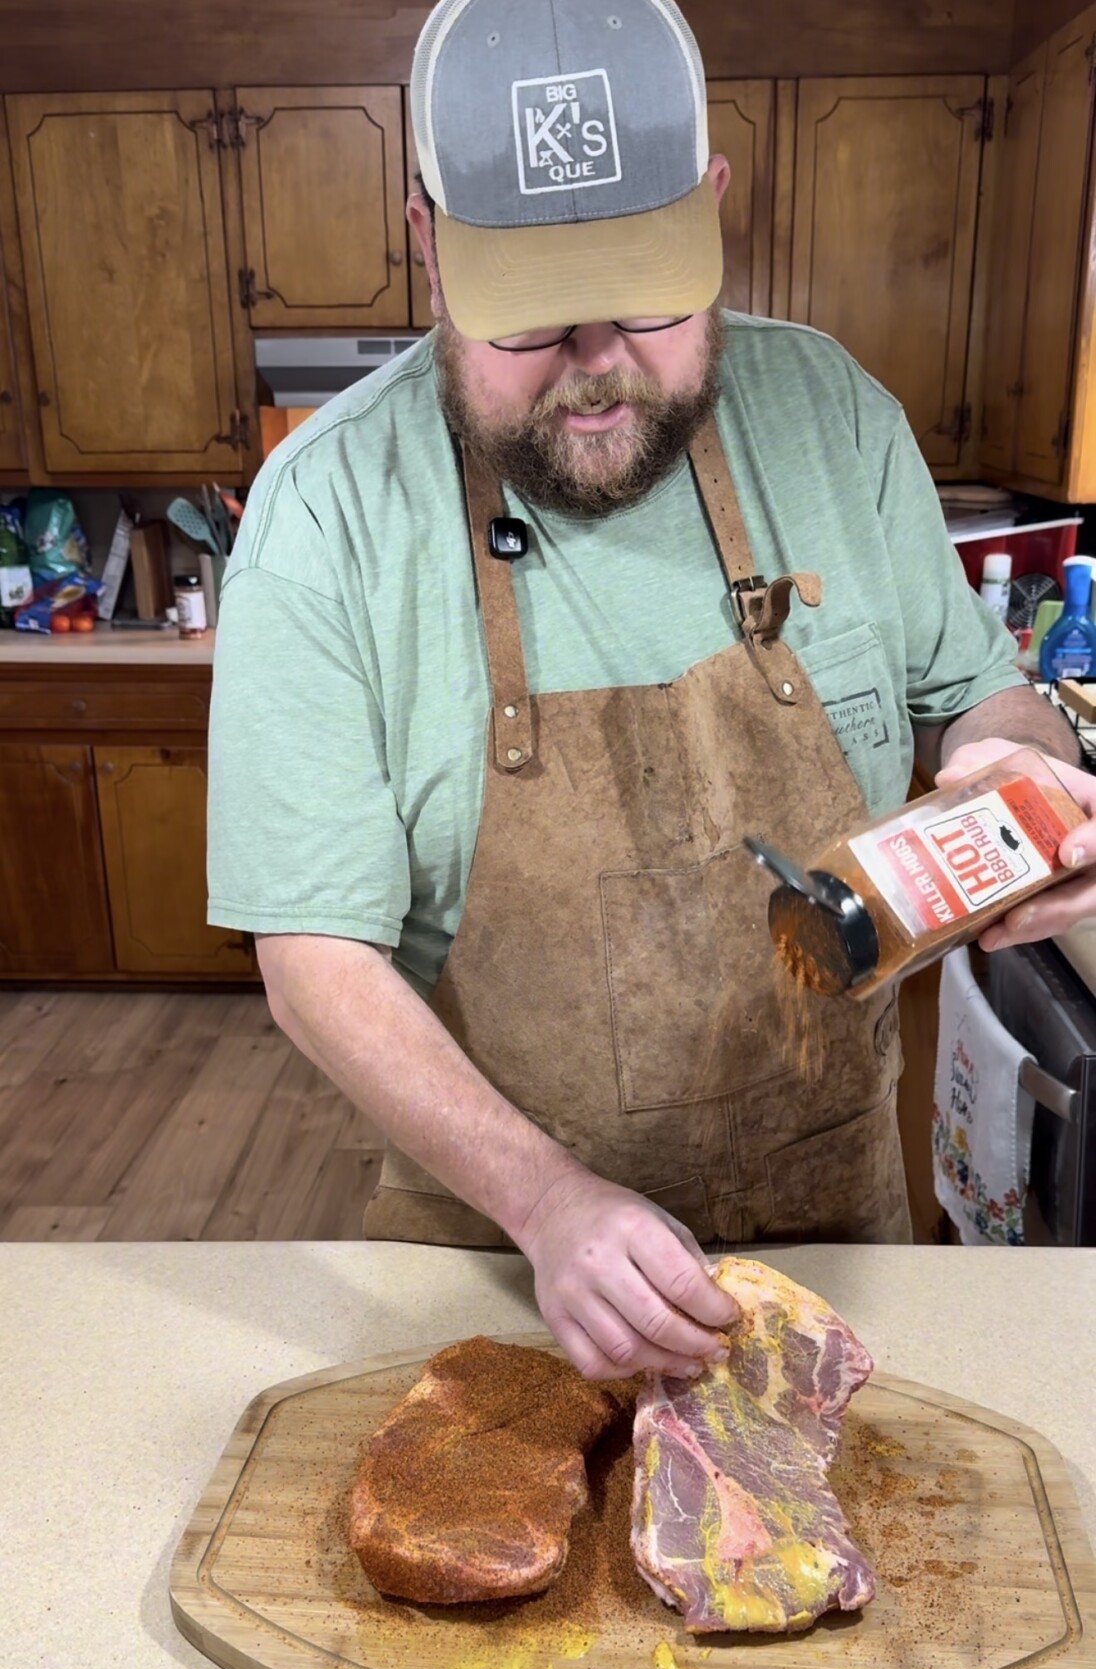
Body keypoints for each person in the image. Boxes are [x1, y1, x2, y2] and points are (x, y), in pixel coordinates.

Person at [208, 0, 1096, 1381]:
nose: (595, 363)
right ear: (429, 242)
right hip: (498, 1257)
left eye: (643, 296)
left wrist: (1014, 772)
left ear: (715, 210)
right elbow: (313, 963)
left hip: (835, 1236)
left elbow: (980, 699)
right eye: (533, 318)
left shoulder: (835, 416)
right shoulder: (327, 515)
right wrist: (549, 1201)